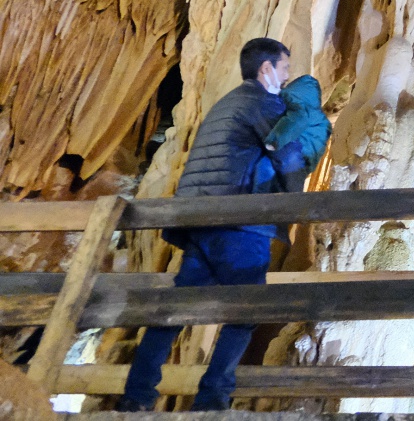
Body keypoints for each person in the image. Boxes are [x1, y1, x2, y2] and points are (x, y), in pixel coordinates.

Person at [119, 38, 320, 412]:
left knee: (174, 311)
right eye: (285, 68)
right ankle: (212, 398)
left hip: (200, 220)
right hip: (240, 223)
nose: (288, 76)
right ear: (266, 70)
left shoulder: (227, 102)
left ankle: (136, 396)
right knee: (245, 312)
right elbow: (289, 157)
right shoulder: (265, 103)